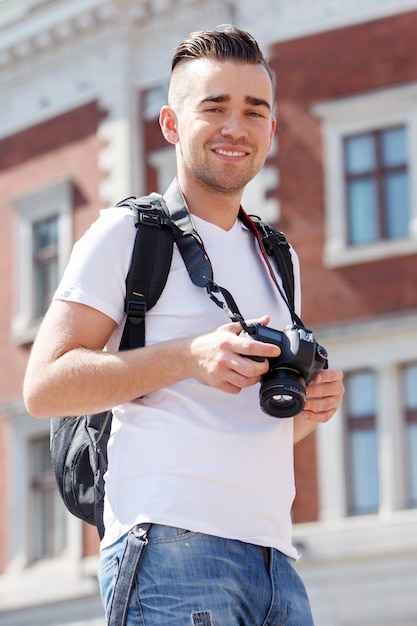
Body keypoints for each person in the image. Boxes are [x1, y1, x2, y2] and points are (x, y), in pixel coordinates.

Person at [24, 25, 344, 626]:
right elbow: (43, 387)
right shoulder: (127, 235)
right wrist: (187, 356)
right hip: (171, 548)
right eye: (214, 107)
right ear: (171, 124)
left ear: (271, 131)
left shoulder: (279, 257)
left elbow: (247, 427)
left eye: (254, 111)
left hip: (277, 558)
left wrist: (309, 410)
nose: (235, 127)